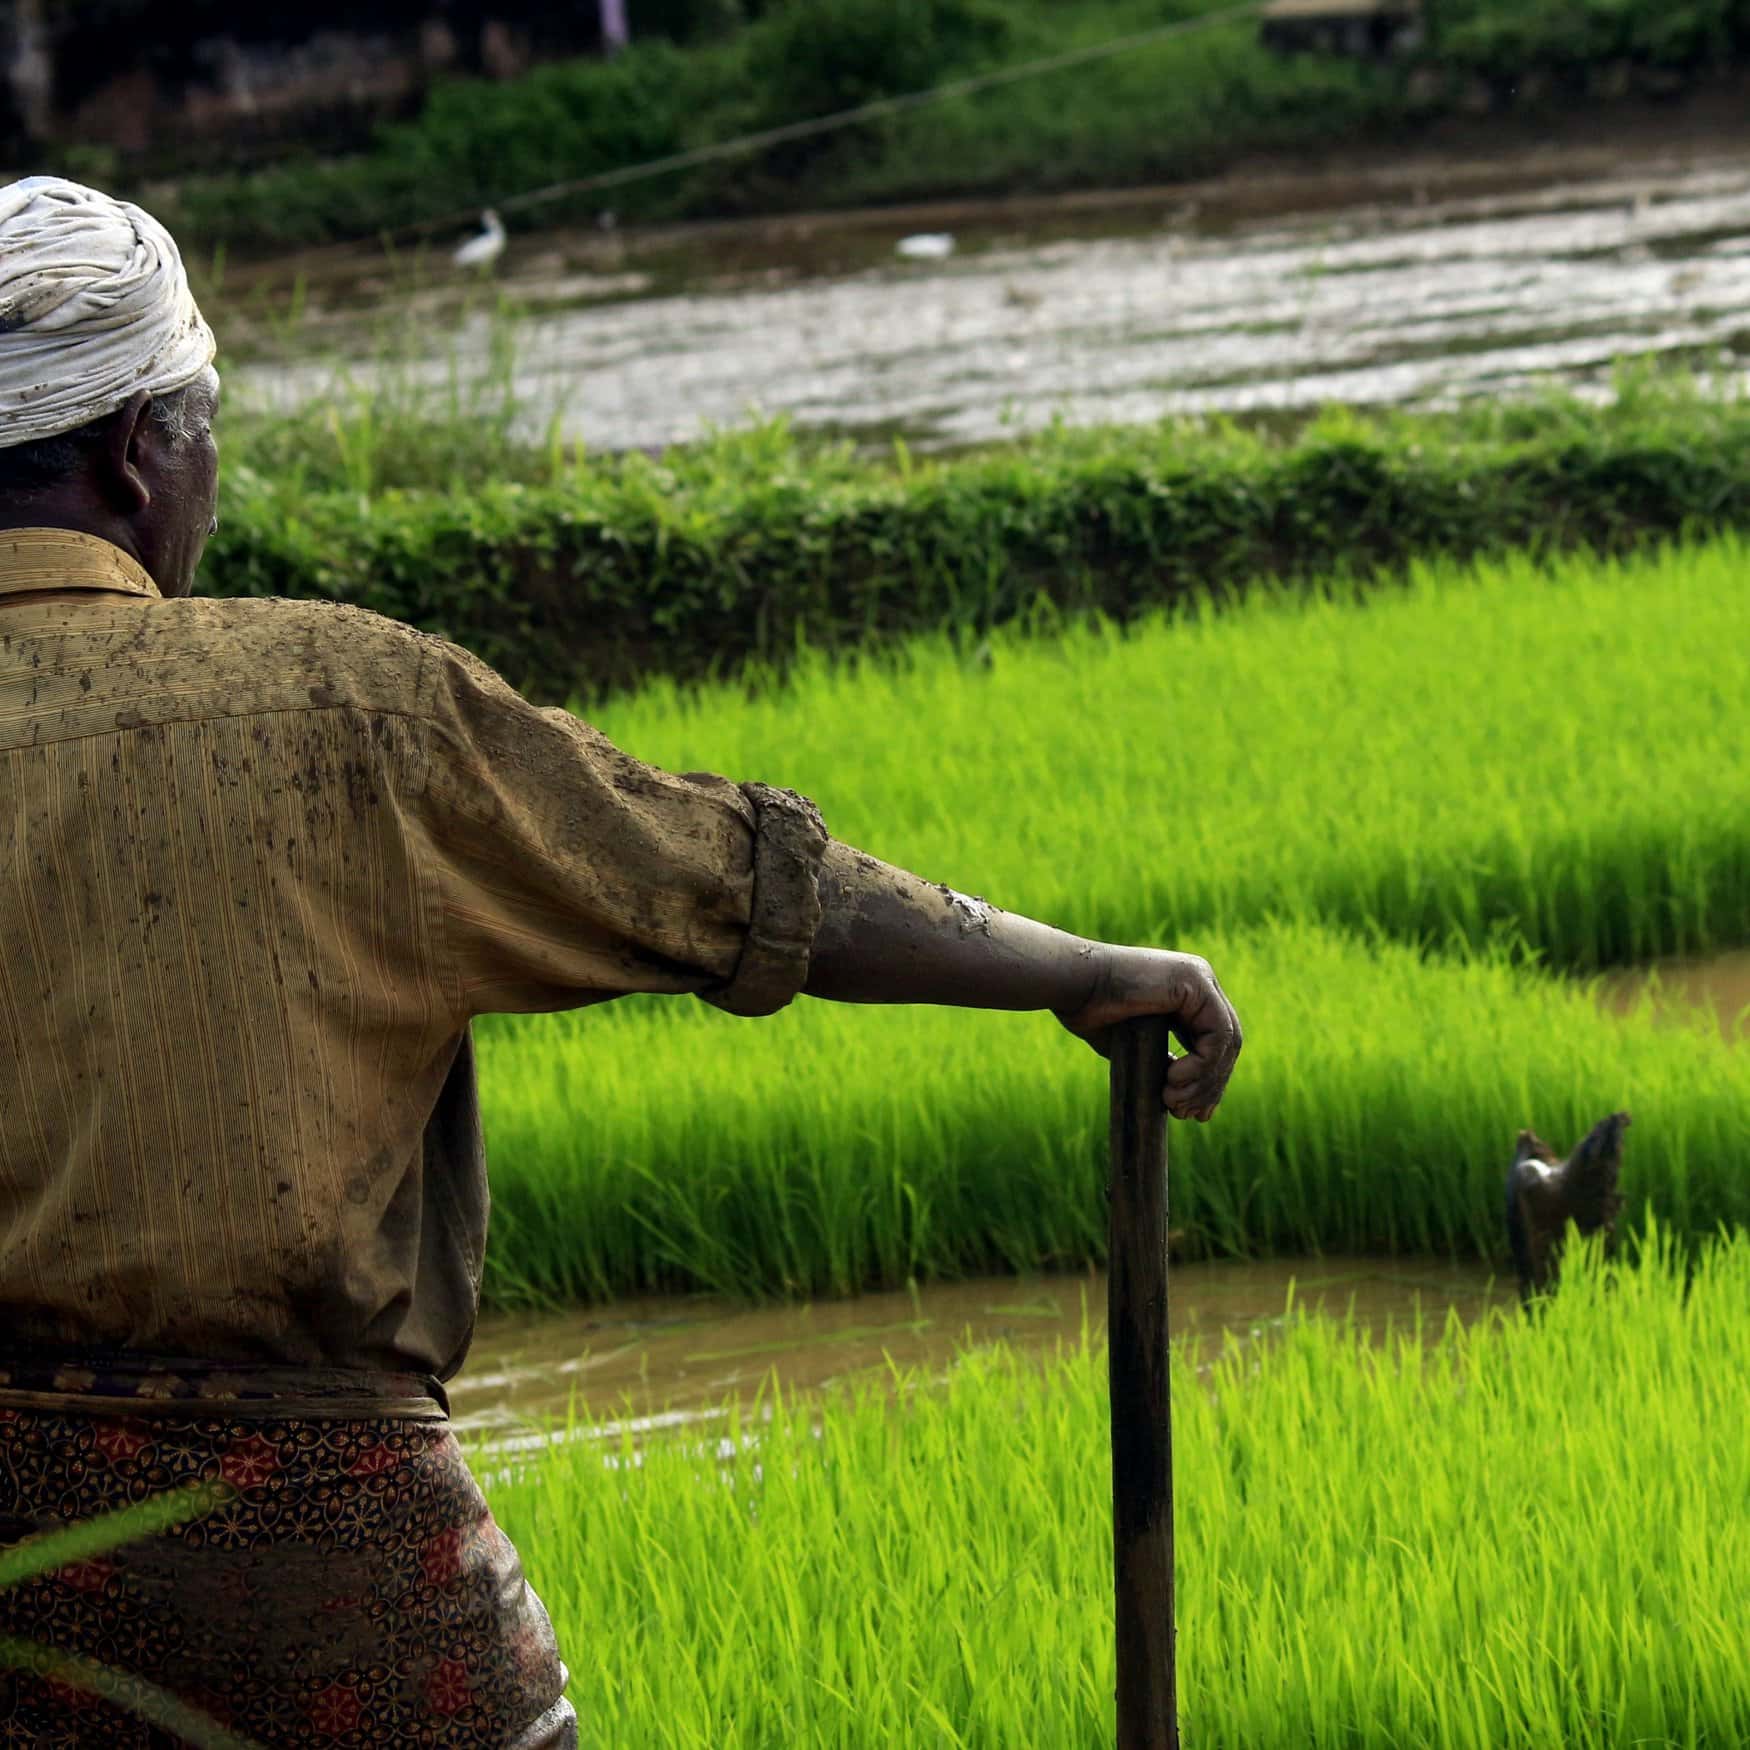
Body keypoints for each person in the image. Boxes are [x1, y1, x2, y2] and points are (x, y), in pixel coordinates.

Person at [0, 177, 1242, 1748]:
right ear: (136, 450)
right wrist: (1076, 968)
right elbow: (725, 879)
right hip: (320, 1561)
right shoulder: (336, 703)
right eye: (203, 431)